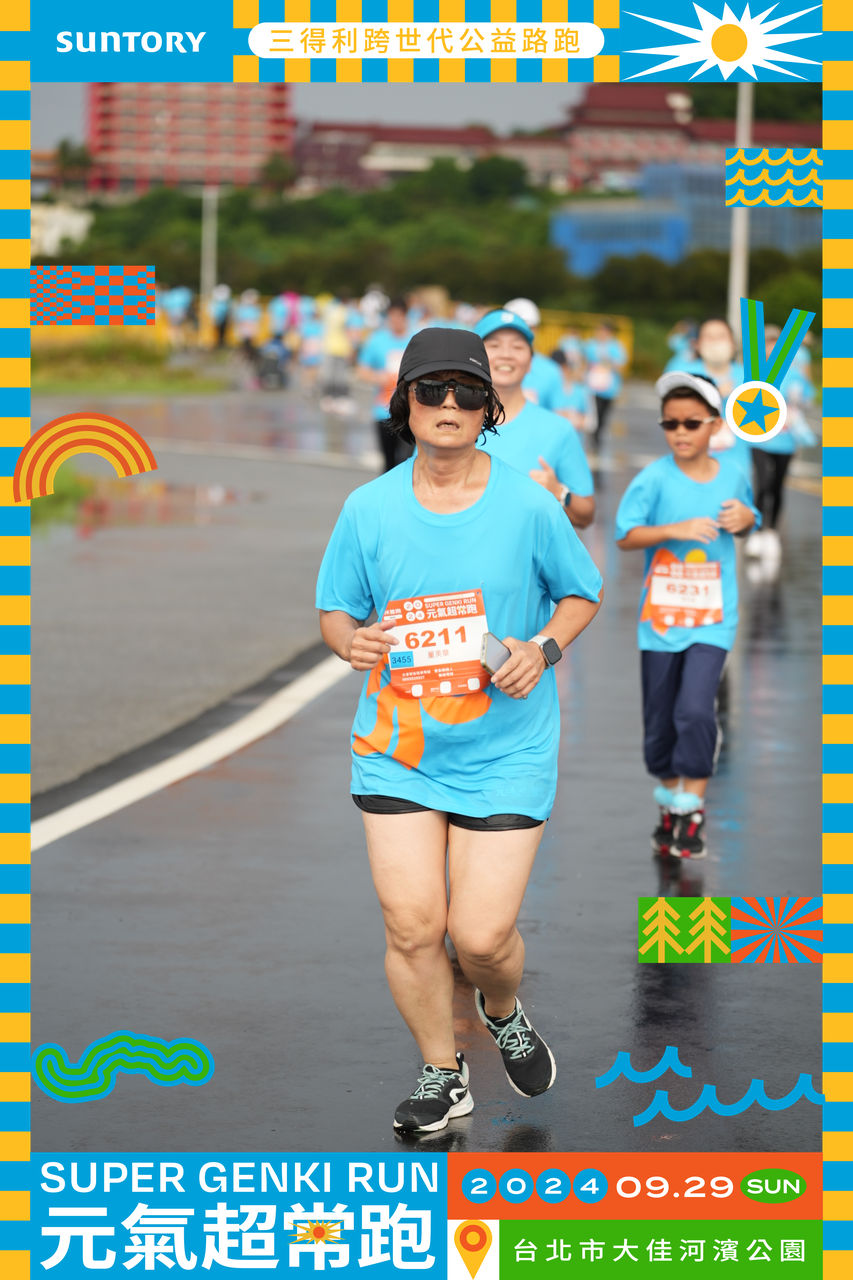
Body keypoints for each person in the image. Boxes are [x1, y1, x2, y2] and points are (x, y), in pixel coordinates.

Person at [316, 327, 603, 1134]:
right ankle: (442, 1074)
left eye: (467, 391)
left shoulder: (528, 505)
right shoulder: (368, 508)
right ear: (403, 402)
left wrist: (542, 649)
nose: (449, 405)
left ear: (489, 410)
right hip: (398, 748)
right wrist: (350, 643)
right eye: (431, 389)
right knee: (413, 927)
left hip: (505, 748)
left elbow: (580, 592)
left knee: (479, 938)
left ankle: (501, 1007)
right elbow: (336, 610)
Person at [615, 372, 759, 860]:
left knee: (696, 710)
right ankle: (669, 799)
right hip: (660, 622)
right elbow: (626, 535)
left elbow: (749, 517)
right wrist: (672, 530)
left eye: (692, 423)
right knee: (660, 721)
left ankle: (691, 807)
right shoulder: (653, 478)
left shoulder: (732, 474)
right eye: (670, 423)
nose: (680, 432)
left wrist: (747, 519)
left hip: (713, 620)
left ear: (714, 425)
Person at [474, 309, 595, 529]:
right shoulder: (451, 422)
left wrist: (560, 492)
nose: (506, 354)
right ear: (475, 358)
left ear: (531, 362)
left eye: (517, 347)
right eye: (494, 345)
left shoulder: (558, 429)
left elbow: (586, 514)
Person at [745, 323, 816, 568]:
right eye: (767, 343)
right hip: (759, 438)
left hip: (786, 440)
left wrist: (799, 399)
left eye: (776, 343)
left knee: (777, 486)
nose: (771, 348)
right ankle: (756, 532)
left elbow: (807, 399)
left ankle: (772, 532)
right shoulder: (756, 373)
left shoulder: (795, 375)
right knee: (762, 483)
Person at [357, 297, 413, 471]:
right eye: (392, 316)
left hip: (410, 411)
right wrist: (379, 377)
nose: (396, 321)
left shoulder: (414, 340)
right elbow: (362, 371)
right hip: (384, 410)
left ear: (406, 316)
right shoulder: (377, 340)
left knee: (407, 462)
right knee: (389, 463)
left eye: (399, 316)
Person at [503, 297, 575, 417]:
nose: (518, 334)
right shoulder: (488, 364)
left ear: (535, 329)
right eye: (511, 328)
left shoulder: (551, 371)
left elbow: (559, 415)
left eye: (526, 327)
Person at [584, 320, 628, 449]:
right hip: (593, 387)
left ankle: (598, 437)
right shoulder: (591, 345)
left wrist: (609, 363)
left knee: (603, 415)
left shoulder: (615, 346)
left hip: (609, 389)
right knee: (595, 414)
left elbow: (621, 365)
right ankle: (594, 439)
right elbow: (584, 362)